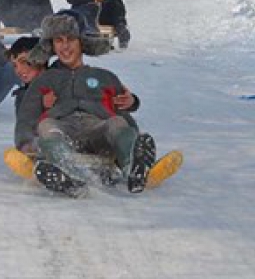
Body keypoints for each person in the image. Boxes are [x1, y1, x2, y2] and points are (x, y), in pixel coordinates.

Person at [15, 13, 156, 196]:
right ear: (52, 46)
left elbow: (121, 112)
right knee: (46, 125)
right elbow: (27, 113)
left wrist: (132, 136)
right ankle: (68, 171)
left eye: (71, 40)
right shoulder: (45, 80)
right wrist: (25, 143)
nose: (65, 47)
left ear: (81, 42)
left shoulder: (104, 77)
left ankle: (132, 167)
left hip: (98, 133)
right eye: (59, 40)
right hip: (63, 133)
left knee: (116, 123)